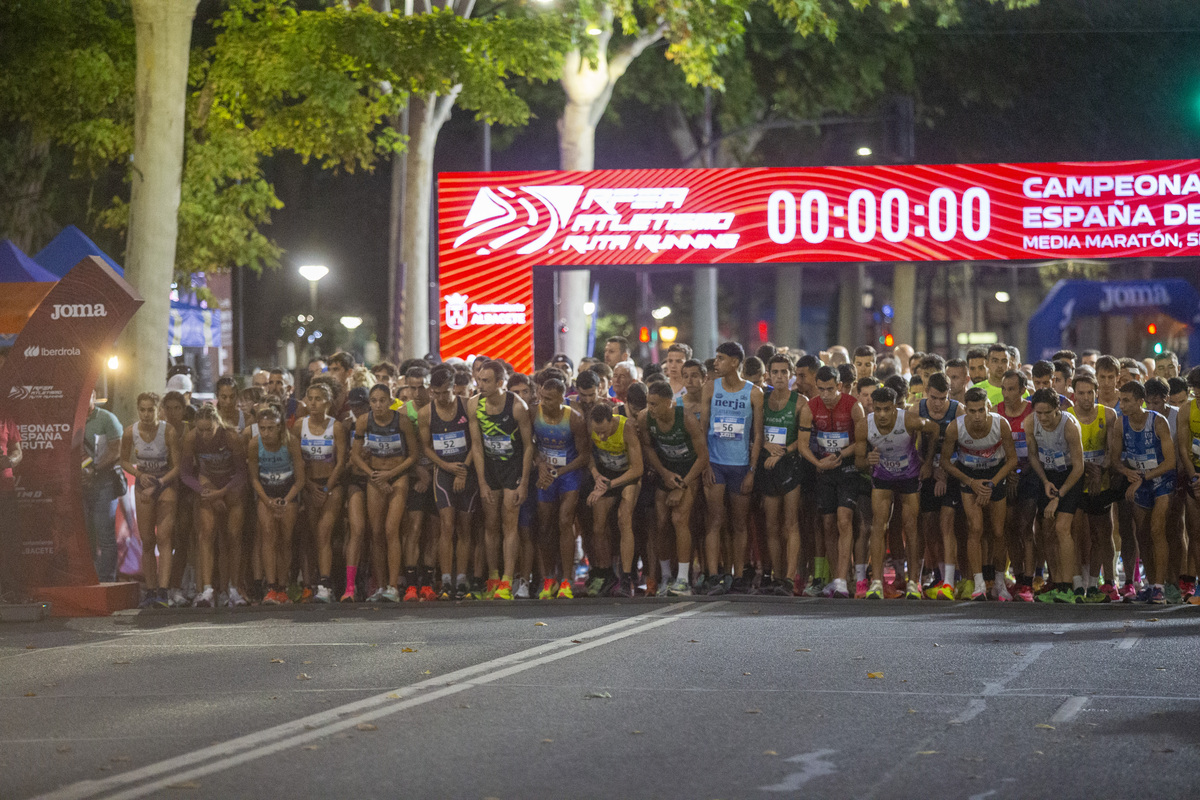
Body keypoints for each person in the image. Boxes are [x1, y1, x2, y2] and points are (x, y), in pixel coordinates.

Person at [857, 385, 939, 600]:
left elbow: (935, 429)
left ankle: (914, 582)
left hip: (909, 477)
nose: (881, 414)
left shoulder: (909, 420)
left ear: (895, 408)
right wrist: (867, 461)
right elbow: (858, 461)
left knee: (911, 526)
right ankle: (876, 582)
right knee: (878, 524)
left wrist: (928, 462)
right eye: (877, 409)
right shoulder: (865, 425)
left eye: (886, 409)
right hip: (883, 477)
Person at [940, 387, 1019, 601]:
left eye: (980, 410)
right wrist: (972, 483)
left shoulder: (1000, 423)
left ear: (988, 408)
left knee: (998, 531)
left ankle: (1000, 583)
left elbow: (1012, 459)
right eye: (972, 411)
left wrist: (991, 484)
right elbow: (945, 461)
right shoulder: (955, 428)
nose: (976, 416)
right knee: (975, 528)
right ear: (966, 410)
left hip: (995, 475)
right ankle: (979, 584)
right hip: (969, 475)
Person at [699, 341, 764, 595]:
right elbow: (703, 429)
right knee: (714, 521)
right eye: (716, 358)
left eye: (721, 358)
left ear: (735, 362)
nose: (716, 362)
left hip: (740, 466)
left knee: (739, 524)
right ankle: (714, 576)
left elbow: (758, 435)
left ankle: (738, 575)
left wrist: (752, 470)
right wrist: (705, 464)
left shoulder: (753, 392)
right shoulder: (710, 388)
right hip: (716, 464)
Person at [798, 365, 865, 599]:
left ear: (839, 386)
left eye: (829, 389)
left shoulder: (853, 406)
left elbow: (862, 442)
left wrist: (840, 455)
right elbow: (802, 445)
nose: (825, 395)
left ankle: (842, 580)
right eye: (821, 390)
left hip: (846, 468)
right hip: (824, 470)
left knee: (844, 520)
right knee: (827, 525)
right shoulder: (810, 407)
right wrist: (818, 464)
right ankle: (840, 577)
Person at [469, 360, 534, 600]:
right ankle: (493, 577)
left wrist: (524, 482)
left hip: (512, 469)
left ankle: (507, 579)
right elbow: (476, 445)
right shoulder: (474, 404)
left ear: (500, 383)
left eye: (486, 381)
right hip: (490, 469)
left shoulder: (517, 407)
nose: (480, 384)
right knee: (490, 524)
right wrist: (482, 481)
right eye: (478, 379)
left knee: (510, 523)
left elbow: (528, 447)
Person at [639, 380, 709, 596]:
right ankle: (666, 576)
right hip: (666, 472)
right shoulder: (645, 418)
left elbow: (703, 457)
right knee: (661, 523)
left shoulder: (686, 418)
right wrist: (664, 473)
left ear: (670, 403)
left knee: (679, 519)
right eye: (649, 403)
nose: (651, 408)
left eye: (655, 404)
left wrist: (683, 485)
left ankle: (683, 580)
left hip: (688, 471)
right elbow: (648, 447)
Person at [351, 383, 418, 603]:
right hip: (376, 478)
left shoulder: (402, 421)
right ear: (370, 403)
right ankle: (380, 586)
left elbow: (412, 456)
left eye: (382, 400)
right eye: (374, 401)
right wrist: (373, 474)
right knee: (377, 531)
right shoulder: (364, 421)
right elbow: (356, 456)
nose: (378, 405)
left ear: (390, 401)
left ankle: (393, 585)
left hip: (397, 476)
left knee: (391, 529)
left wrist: (390, 475)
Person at [1111, 380, 1176, 604]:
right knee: (1142, 534)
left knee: (1157, 530)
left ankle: (1160, 587)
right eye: (1121, 400)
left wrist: (1141, 478)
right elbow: (1115, 460)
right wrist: (1127, 473)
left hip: (1161, 479)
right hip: (1139, 480)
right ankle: (1150, 585)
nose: (1122, 404)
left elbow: (1170, 462)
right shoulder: (1121, 424)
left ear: (1141, 401)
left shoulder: (1158, 422)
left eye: (1127, 400)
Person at [422, 367, 480, 600]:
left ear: (454, 388)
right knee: (447, 526)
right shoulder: (427, 412)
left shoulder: (467, 406)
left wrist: (463, 469)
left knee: (465, 528)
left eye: (445, 393)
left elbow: (476, 442)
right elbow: (426, 447)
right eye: (436, 393)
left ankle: (462, 579)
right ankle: (446, 579)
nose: (441, 398)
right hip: (444, 472)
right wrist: (446, 467)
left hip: (467, 470)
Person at [181, 405, 247, 607]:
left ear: (217, 424)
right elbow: (185, 474)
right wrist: (205, 492)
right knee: (206, 535)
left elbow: (242, 473)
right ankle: (207, 589)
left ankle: (233, 588)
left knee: (233, 536)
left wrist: (222, 493)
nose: (204, 434)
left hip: (231, 486)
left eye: (208, 429)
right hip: (207, 485)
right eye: (200, 429)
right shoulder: (191, 438)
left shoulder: (231, 437)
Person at [119, 393, 182, 608]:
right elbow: (124, 461)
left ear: (158, 410)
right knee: (147, 540)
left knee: (164, 538)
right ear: (138, 410)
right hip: (144, 484)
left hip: (165, 484)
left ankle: (163, 592)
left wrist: (161, 482)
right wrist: (138, 475)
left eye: (150, 410)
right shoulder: (130, 433)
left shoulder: (168, 432)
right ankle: (151, 590)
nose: (146, 414)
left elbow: (177, 466)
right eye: (142, 410)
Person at [1024, 388, 1086, 603]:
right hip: (1048, 475)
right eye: (1038, 413)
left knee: (1062, 527)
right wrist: (1045, 481)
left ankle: (1068, 587)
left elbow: (1079, 466)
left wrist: (1059, 495)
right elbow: (1033, 456)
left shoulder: (1069, 425)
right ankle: (1057, 582)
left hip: (1070, 476)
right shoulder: (1030, 423)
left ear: (1057, 409)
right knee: (1047, 529)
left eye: (1047, 413)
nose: (1043, 418)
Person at [530, 376, 590, 600]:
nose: (544, 402)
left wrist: (559, 472)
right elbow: (530, 444)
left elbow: (584, 455)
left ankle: (566, 579)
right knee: (545, 525)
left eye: (550, 399)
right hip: (546, 473)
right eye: (542, 397)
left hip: (568, 474)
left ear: (562, 399)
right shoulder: (534, 413)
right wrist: (541, 464)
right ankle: (548, 579)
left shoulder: (574, 419)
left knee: (565, 521)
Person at [755, 355, 805, 595]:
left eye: (784, 372)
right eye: (775, 372)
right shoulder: (761, 400)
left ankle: (789, 577)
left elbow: (804, 440)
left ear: (790, 374)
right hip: (766, 465)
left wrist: (783, 452)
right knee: (771, 525)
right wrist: (765, 445)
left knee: (790, 523)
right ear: (768, 375)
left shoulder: (800, 402)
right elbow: (753, 432)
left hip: (790, 465)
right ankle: (776, 574)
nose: (779, 377)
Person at [1069, 371, 1120, 602]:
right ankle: (1079, 582)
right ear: (1074, 394)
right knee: (1079, 535)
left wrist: (1101, 470)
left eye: (1090, 392)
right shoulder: (1067, 417)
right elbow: (1065, 454)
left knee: (1103, 534)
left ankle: (1104, 582)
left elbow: (1112, 451)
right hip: (1077, 483)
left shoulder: (1108, 415)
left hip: (1101, 481)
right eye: (1081, 393)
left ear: (1096, 392)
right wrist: (1084, 469)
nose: (1087, 398)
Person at [248, 407, 305, 605]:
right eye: (262, 428)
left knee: (285, 540)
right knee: (268, 537)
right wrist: (266, 500)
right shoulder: (255, 444)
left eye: (270, 428)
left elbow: (300, 480)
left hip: (288, 492)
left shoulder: (290, 443)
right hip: (267, 494)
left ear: (279, 428)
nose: (266, 433)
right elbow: (254, 478)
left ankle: (283, 587)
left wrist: (286, 500)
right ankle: (271, 587)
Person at [298, 381, 349, 602]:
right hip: (309, 485)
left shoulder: (335, 427)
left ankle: (326, 584)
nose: (313, 403)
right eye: (310, 399)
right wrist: (309, 486)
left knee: (323, 532)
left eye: (318, 399)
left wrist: (327, 487)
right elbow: (297, 460)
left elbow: (341, 461)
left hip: (331, 485)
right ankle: (313, 582)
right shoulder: (300, 425)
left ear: (327, 402)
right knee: (312, 535)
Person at [586, 402, 644, 597]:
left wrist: (610, 485)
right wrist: (595, 475)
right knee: (597, 526)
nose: (601, 436)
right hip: (606, 474)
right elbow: (589, 455)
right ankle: (607, 573)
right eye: (598, 432)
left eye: (604, 431)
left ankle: (626, 577)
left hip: (627, 476)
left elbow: (638, 469)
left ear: (611, 421)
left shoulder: (625, 428)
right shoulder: (592, 427)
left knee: (623, 518)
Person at [918, 372, 964, 600]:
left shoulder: (958, 411)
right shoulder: (916, 409)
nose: (938, 404)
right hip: (926, 471)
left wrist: (944, 473)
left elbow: (965, 449)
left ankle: (949, 580)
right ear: (926, 393)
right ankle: (937, 574)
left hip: (952, 472)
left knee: (947, 524)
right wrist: (929, 468)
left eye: (942, 398)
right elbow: (910, 446)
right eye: (934, 398)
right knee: (929, 526)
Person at [82, 390, 124, 583]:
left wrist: (96, 470)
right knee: (84, 533)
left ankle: (106, 580)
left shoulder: (107, 418)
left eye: (88, 395)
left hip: (104, 483)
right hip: (79, 485)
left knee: (105, 533)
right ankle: (88, 578)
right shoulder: (72, 419)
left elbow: (117, 450)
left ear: (94, 395)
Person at [0, 411, 21, 601]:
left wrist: (9, 461)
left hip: (5, 489)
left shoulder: (7, 419)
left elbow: (17, 451)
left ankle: (8, 589)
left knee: (8, 541)